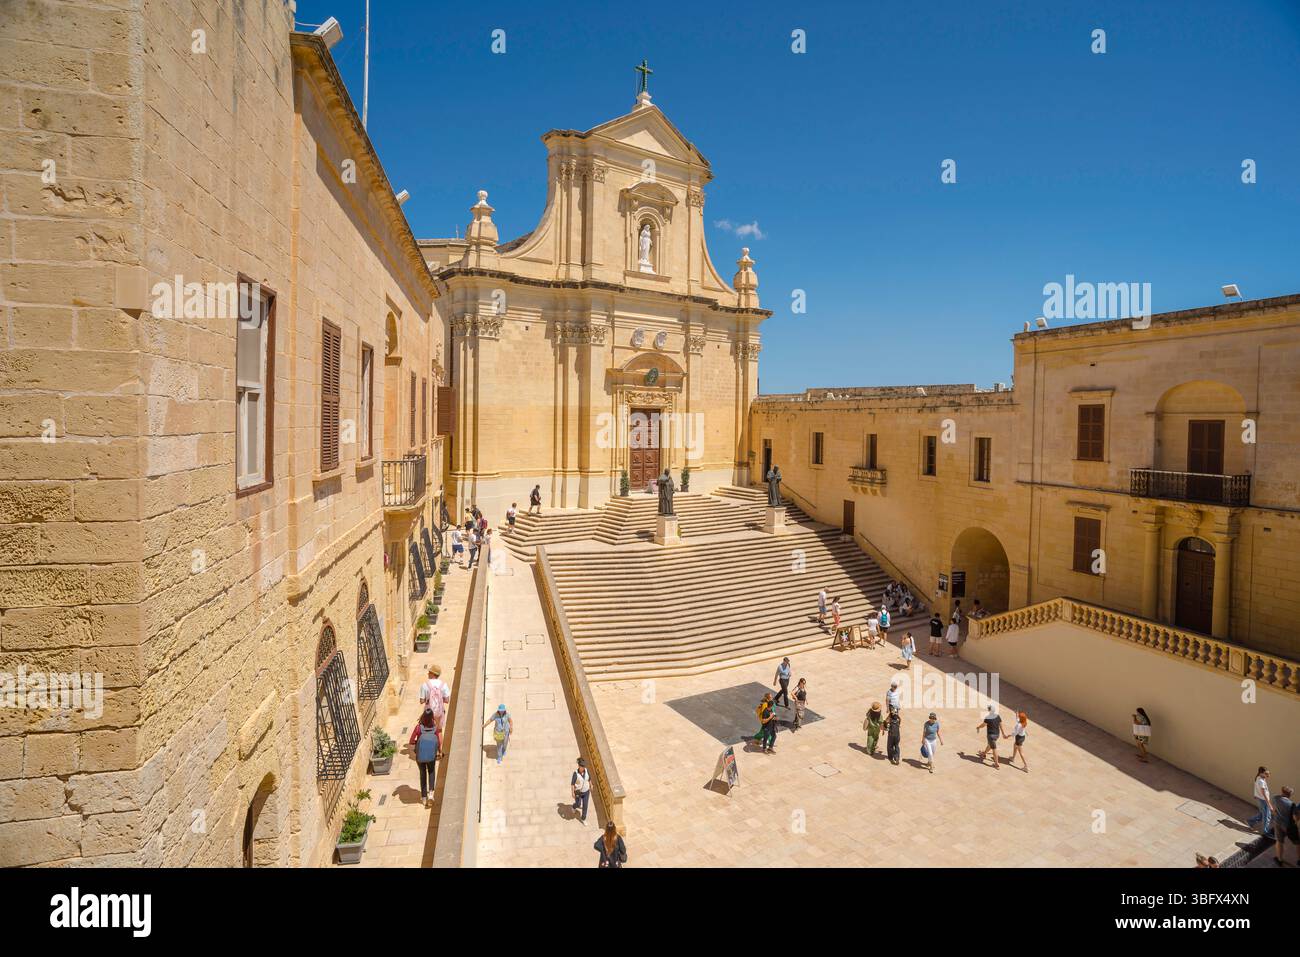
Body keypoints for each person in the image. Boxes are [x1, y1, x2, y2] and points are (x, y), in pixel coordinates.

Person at [415, 707, 440, 807]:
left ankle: (424, 798)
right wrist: (440, 752)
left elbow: (411, 740)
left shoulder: (418, 728)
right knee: (431, 771)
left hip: (420, 755)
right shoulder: (435, 728)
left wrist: (418, 743)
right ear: (432, 717)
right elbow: (438, 742)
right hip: (431, 755)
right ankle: (431, 794)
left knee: (422, 773)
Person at [1272, 785, 1298, 866]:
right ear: (1290, 795)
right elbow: (1295, 818)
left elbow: (1274, 810)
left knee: (1279, 841)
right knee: (1298, 843)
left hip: (1278, 823)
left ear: (1282, 791)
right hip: (1289, 826)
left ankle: (1279, 860)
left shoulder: (1275, 798)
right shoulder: (1292, 804)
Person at [976, 704, 1003, 769]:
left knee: (994, 749)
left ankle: (996, 764)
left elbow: (983, 725)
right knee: (990, 745)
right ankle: (984, 754)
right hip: (997, 735)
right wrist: (1003, 733)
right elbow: (1001, 724)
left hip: (991, 735)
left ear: (989, 710)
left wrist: (978, 727)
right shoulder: (998, 716)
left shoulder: (988, 717)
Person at [1248, 767, 1272, 835]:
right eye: (1266, 773)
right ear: (1261, 773)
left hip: (1260, 799)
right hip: (1264, 800)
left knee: (1262, 814)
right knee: (1267, 816)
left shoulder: (1259, 777)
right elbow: (1263, 793)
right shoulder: (1261, 781)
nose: (1268, 775)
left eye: (1269, 773)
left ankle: (1250, 821)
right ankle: (1265, 831)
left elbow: (1256, 787)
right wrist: (1269, 803)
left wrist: (1255, 795)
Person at [571, 757, 592, 824]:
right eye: (582, 766)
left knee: (585, 805)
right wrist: (572, 793)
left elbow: (589, 779)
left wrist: (591, 785)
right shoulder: (575, 774)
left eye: (584, 766)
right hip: (578, 792)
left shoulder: (587, 771)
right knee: (578, 804)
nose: (583, 768)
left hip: (586, 791)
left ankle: (583, 818)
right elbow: (572, 784)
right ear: (579, 766)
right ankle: (574, 807)